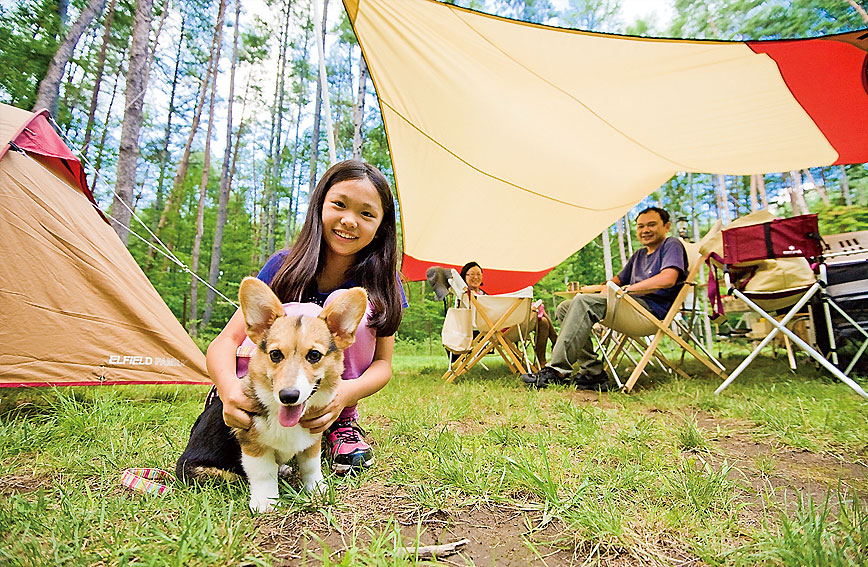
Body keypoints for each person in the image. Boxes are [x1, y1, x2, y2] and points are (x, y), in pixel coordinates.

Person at [205, 159, 405, 474]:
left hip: (323, 393)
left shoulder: (383, 283)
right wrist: (229, 388)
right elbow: (226, 341)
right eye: (339, 204)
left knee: (353, 305)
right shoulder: (283, 266)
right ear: (319, 206)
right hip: (255, 394)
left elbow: (383, 365)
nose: (349, 221)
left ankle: (340, 423)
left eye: (366, 213)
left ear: (382, 225)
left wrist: (345, 395)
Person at [521, 206, 687, 391]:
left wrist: (627, 289)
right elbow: (614, 282)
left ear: (667, 226)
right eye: (640, 226)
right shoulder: (639, 255)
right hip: (629, 306)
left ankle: (557, 370)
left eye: (651, 225)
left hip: (649, 312)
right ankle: (592, 373)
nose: (645, 230)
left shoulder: (671, 244)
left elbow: (668, 278)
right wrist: (590, 289)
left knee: (583, 302)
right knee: (566, 306)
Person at [456, 261, 558, 366]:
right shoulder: (467, 295)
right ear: (464, 276)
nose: (475, 277)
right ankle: (555, 341)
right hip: (494, 330)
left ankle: (540, 362)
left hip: (502, 326)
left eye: (478, 274)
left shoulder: (483, 294)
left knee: (543, 322)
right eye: (471, 274)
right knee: (538, 308)